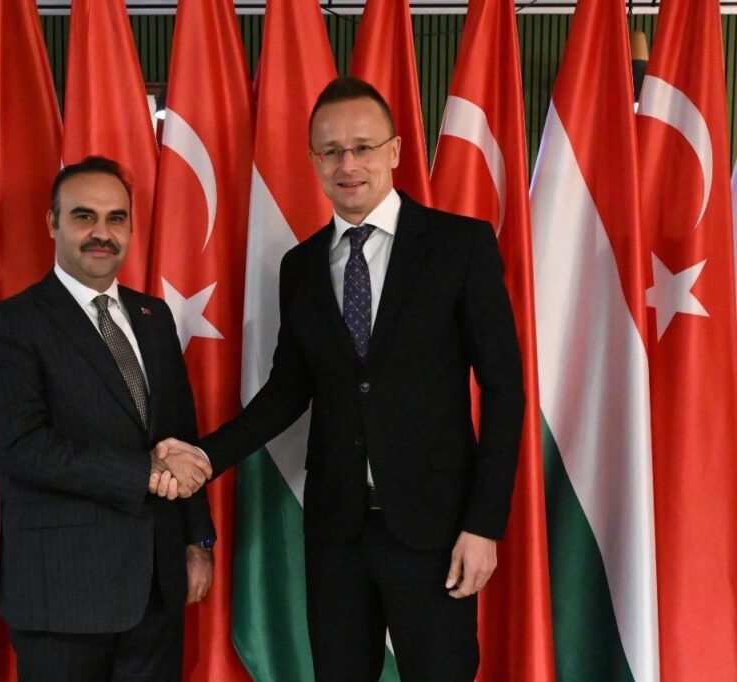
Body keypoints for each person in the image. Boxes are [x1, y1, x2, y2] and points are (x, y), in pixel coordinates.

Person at [155, 77, 524, 681]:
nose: (347, 163)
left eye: (363, 146)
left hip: (435, 532)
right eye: (331, 151)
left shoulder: (460, 245)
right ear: (314, 161)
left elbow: (505, 393)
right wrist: (202, 455)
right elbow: (285, 393)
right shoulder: (299, 267)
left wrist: (483, 525)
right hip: (337, 533)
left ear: (395, 150)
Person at [0, 155, 216, 682]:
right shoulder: (11, 325)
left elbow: (180, 432)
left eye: (116, 218)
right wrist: (143, 473)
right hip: (62, 592)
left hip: (156, 585)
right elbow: (20, 448)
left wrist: (197, 540)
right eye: (84, 217)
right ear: (53, 223)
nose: (101, 233)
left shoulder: (154, 317)